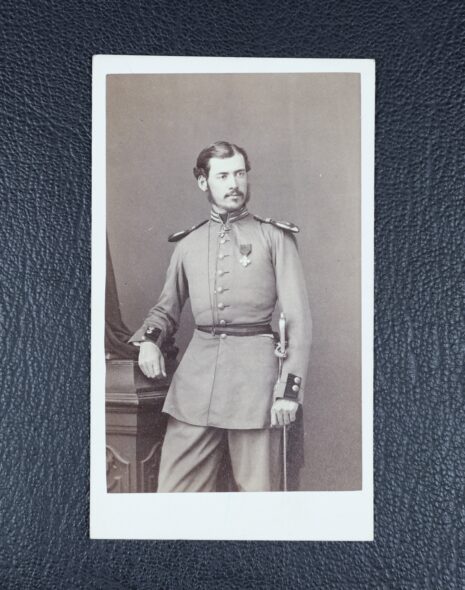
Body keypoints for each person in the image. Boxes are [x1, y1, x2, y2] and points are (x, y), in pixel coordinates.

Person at [130, 141, 312, 492]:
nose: (234, 184)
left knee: (258, 498)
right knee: (174, 497)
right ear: (203, 182)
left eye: (240, 174)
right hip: (196, 386)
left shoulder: (274, 237)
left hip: (256, 389)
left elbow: (299, 322)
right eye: (223, 176)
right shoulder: (188, 244)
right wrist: (149, 341)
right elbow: (166, 308)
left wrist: (289, 391)